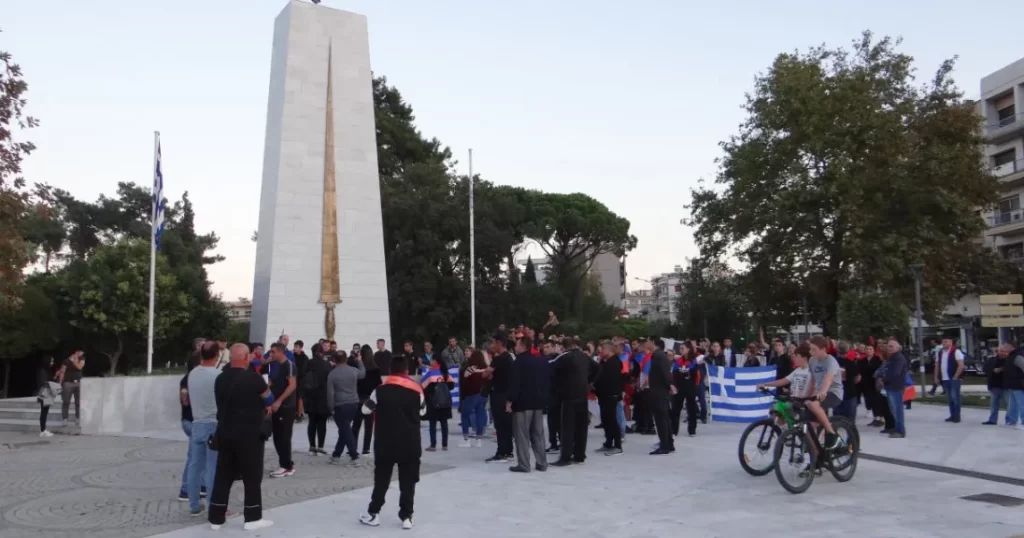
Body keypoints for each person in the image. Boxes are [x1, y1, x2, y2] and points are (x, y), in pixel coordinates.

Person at [208, 343, 274, 531]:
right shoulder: (254, 379)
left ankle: (216, 518)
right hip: (249, 436)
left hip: (225, 433)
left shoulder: (220, 379)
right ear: (246, 358)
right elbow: (269, 399)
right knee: (252, 477)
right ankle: (252, 518)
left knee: (223, 476)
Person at [359, 356, 425, 530]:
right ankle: (407, 516)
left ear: (390, 370)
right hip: (410, 442)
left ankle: (374, 513)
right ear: (405, 371)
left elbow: (365, 409)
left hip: (385, 442)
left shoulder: (380, 390)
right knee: (408, 481)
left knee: (381, 480)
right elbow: (423, 411)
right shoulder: (416, 389)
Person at [186, 342, 222, 516]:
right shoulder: (218, 375)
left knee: (195, 465)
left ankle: (194, 504)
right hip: (213, 424)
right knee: (213, 467)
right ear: (217, 356)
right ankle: (213, 505)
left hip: (197, 423)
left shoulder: (192, 374)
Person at [506, 335, 551, 472]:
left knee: (522, 435)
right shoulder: (539, 361)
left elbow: (515, 384)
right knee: (538, 434)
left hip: (523, 403)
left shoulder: (518, 362)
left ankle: (524, 464)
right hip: (538, 403)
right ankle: (542, 462)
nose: (515, 347)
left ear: (523, 346)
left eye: (517, 344)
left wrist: (510, 401)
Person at [552, 337, 595, 466]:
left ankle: (565, 457)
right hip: (582, 395)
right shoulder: (584, 356)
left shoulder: (565, 357)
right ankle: (579, 454)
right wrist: (589, 381)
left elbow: (552, 369)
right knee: (581, 427)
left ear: (564, 347)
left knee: (567, 428)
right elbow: (597, 368)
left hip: (568, 396)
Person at [803, 336, 843, 448]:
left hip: (833, 392)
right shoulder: (812, 360)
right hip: (818, 393)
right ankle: (815, 456)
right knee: (808, 425)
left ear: (823, 349)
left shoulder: (831, 361)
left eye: (814, 349)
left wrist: (823, 391)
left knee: (815, 405)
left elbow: (828, 379)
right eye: (810, 349)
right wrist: (806, 395)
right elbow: (812, 380)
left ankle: (831, 433)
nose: (811, 352)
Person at [327, 350, 366, 464]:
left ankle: (354, 456)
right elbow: (363, 374)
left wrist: (331, 408)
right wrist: (359, 361)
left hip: (340, 405)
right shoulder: (353, 370)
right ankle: (336, 454)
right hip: (354, 403)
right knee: (345, 429)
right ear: (346, 359)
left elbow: (330, 394)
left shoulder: (332, 374)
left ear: (334, 360)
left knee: (345, 430)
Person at [267, 342, 298, 478]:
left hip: (285, 406)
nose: (271, 354)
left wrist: (279, 401)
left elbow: (292, 385)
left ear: (281, 352)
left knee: (284, 436)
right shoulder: (275, 366)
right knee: (277, 436)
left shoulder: (289, 365)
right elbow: (271, 383)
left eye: (273, 352)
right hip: (274, 405)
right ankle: (284, 463)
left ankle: (287, 465)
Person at [485, 334, 516, 463]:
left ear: (499, 343)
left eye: (493, 343)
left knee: (500, 424)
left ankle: (501, 452)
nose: (492, 346)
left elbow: (486, 374)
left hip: (498, 395)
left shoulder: (498, 359)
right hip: (507, 394)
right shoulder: (509, 357)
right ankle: (508, 451)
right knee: (507, 424)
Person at [594, 342, 626, 455]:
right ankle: (608, 442)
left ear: (610, 350)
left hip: (611, 395)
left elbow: (607, 380)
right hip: (603, 395)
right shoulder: (604, 362)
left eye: (603, 349)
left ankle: (617, 445)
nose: (601, 351)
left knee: (612, 420)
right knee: (605, 420)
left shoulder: (615, 363)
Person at [302, 343, 332, 454]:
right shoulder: (326, 365)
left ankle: (312, 445)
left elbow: (303, 379)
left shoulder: (308, 363)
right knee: (322, 423)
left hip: (310, 397)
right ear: (321, 352)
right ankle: (320, 446)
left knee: (312, 422)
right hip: (322, 396)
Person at [647, 338, 674, 455]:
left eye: (648, 341)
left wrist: (670, 385)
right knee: (664, 419)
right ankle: (668, 443)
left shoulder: (659, 356)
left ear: (653, 342)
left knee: (661, 419)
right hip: (659, 391)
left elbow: (665, 373)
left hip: (660, 392)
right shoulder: (657, 355)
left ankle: (665, 445)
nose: (646, 343)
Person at [354, 344, 382, 455]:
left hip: (359, 397)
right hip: (371, 399)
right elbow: (378, 384)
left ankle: (354, 446)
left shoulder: (359, 368)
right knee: (369, 425)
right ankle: (366, 448)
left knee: (356, 425)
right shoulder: (376, 369)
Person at [422, 358, 455, 452]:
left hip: (433, 403)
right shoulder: (445, 373)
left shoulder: (431, 373)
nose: (430, 362)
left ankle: (433, 445)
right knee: (444, 424)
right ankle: (445, 445)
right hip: (445, 402)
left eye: (432, 360)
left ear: (436, 361)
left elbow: (424, 387)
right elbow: (451, 386)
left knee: (432, 424)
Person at [458, 350, 489, 447]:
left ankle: (466, 440)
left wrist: (462, 397)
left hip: (470, 395)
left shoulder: (470, 369)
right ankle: (479, 440)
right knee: (480, 415)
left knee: (465, 416)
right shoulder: (486, 369)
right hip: (482, 395)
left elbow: (464, 384)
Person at [669, 343, 700, 438]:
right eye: (680, 349)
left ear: (688, 349)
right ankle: (674, 430)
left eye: (683, 348)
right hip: (678, 388)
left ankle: (692, 430)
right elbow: (674, 374)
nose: (681, 350)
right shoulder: (677, 361)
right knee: (675, 409)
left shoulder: (694, 362)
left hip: (690, 388)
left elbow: (694, 375)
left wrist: (684, 375)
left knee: (691, 409)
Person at [881, 338, 908, 438]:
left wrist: (884, 379)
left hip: (896, 387)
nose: (889, 348)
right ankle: (897, 429)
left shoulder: (898, 358)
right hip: (890, 386)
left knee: (897, 410)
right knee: (893, 409)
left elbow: (895, 373)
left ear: (898, 348)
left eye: (892, 346)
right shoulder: (892, 357)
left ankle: (900, 431)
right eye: (888, 346)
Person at [934, 337, 965, 423]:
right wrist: (936, 377)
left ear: (951, 342)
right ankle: (952, 415)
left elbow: (961, 365)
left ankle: (957, 417)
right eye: (942, 341)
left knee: (955, 398)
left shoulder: (956, 351)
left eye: (945, 341)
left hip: (953, 378)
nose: (943, 343)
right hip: (945, 379)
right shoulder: (940, 353)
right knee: (950, 399)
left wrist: (956, 376)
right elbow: (937, 365)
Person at [834, 341, 861, 421]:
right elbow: (857, 378)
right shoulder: (851, 363)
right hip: (849, 392)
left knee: (836, 418)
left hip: (836, 392)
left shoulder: (832, 362)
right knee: (850, 419)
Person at [58, 350, 84, 426]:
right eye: (80, 351)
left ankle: (78, 418)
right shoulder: (66, 361)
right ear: (75, 352)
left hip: (79, 383)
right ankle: (65, 419)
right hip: (68, 383)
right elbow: (62, 372)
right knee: (66, 402)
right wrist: (60, 383)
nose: (81, 353)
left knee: (78, 402)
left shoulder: (81, 359)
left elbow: (79, 367)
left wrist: (74, 361)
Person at [36, 356, 57, 437]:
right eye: (51, 361)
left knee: (45, 412)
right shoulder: (43, 370)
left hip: (46, 392)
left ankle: (43, 429)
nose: (52, 363)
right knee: (44, 412)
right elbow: (43, 382)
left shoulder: (46, 370)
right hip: (45, 393)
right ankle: (43, 430)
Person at [293, 340, 308, 423]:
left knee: (300, 397)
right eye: (294, 346)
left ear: (301, 348)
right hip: (293, 378)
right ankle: (295, 412)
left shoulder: (304, 357)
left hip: (301, 379)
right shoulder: (292, 356)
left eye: (296, 347)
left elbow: (304, 369)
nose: (295, 348)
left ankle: (299, 414)